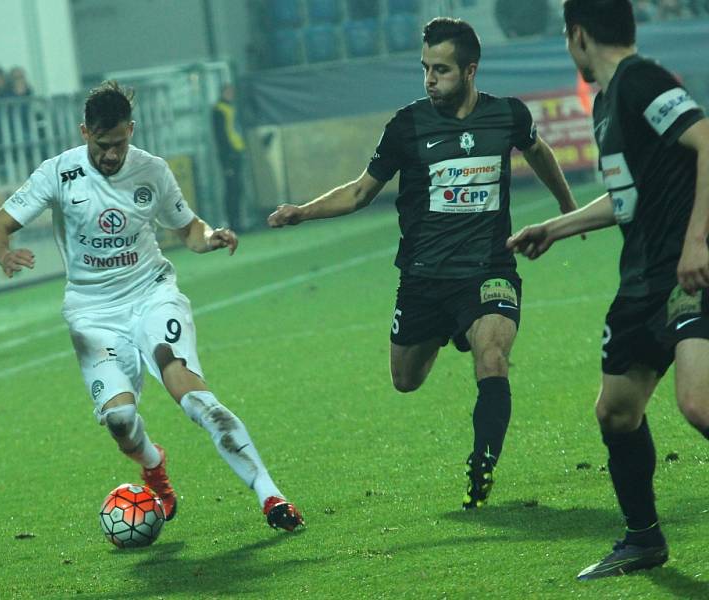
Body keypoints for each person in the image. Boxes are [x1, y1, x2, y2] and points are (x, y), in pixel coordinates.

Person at [269, 17, 579, 510]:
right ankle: (446, 329)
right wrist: (303, 212)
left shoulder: (508, 116)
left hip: (488, 269)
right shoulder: (408, 125)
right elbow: (359, 192)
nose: (430, 80)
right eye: (425, 69)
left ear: (471, 70)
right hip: (424, 279)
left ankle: (483, 461)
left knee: (493, 356)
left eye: (442, 70)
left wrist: (569, 210)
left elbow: (538, 152)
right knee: (406, 380)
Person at [0, 81, 304, 532]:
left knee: (196, 400)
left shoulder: (152, 170)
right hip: (92, 312)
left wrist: (210, 238)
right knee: (119, 418)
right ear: (84, 132)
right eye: (100, 143)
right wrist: (3, 253)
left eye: (119, 143)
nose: (110, 155)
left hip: (152, 294)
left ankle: (272, 495)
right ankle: (154, 466)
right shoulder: (57, 173)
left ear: (131, 130)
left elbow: (188, 228)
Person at [507, 0, 709, 580]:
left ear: (577, 36)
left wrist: (699, 241)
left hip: (685, 274)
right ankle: (643, 538)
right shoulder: (607, 101)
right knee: (617, 413)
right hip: (640, 282)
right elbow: (628, 200)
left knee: (698, 404)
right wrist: (556, 226)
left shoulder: (641, 80)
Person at [212, 83, 246, 231]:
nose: (232, 94)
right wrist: (226, 159)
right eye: (229, 91)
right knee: (231, 190)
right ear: (224, 92)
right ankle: (233, 224)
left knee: (238, 189)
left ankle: (238, 221)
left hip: (236, 152)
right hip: (229, 155)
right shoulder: (219, 110)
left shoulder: (231, 107)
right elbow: (220, 137)